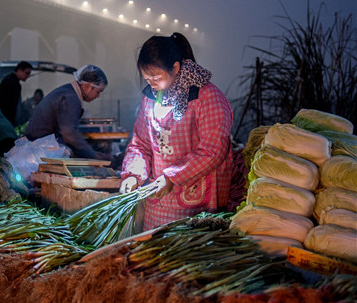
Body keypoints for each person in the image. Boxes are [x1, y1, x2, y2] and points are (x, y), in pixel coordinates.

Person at [120, 33, 233, 230]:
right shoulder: (150, 98)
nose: (151, 83)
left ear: (175, 67)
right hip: (159, 200)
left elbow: (213, 149)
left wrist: (172, 177)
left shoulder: (207, 97)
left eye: (156, 77)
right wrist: (133, 175)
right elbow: (140, 144)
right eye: (147, 78)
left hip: (196, 205)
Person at [25, 65, 113, 161]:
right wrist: (93, 156)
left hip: (38, 150)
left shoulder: (67, 92)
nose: (98, 96)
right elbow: (69, 133)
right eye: (98, 91)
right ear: (87, 86)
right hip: (38, 154)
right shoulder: (71, 98)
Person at [0, 61, 32, 126]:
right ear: (19, 71)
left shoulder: (10, 80)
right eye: (27, 73)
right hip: (6, 118)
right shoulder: (12, 82)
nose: (28, 76)